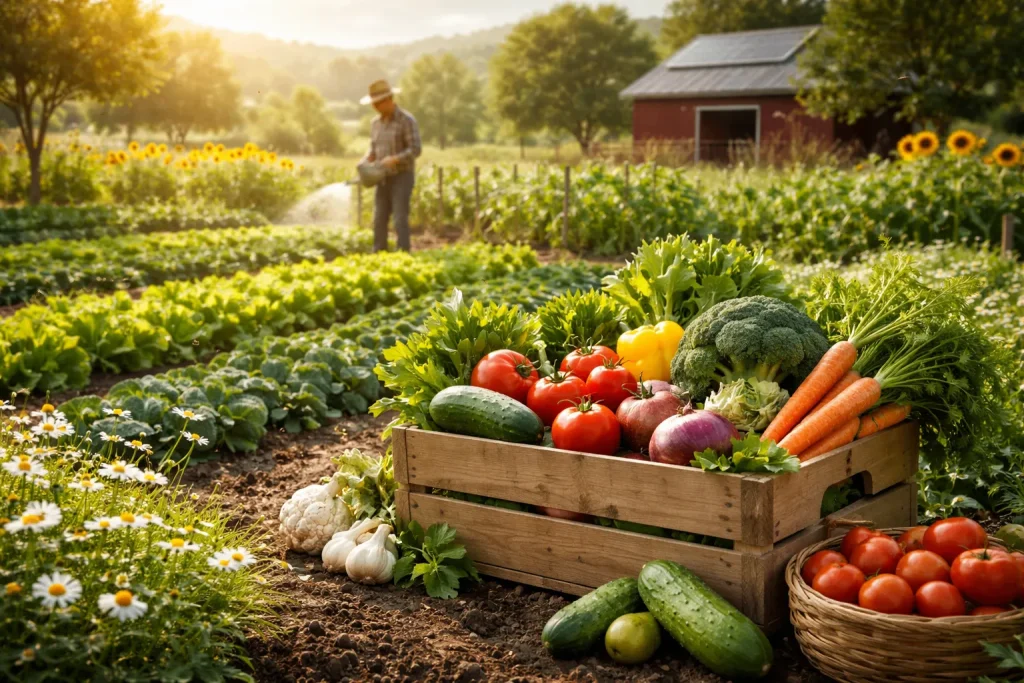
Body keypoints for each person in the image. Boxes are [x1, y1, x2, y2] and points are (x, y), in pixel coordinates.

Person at [360, 79, 421, 252]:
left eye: (378, 103)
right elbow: (373, 149)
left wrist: (395, 159)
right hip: (382, 178)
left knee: (399, 218)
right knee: (379, 218)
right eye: (373, 104)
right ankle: (379, 253)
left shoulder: (406, 120)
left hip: (402, 176)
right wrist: (366, 160)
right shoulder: (375, 124)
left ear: (389, 100)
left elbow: (415, 149)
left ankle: (403, 253)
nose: (375, 107)